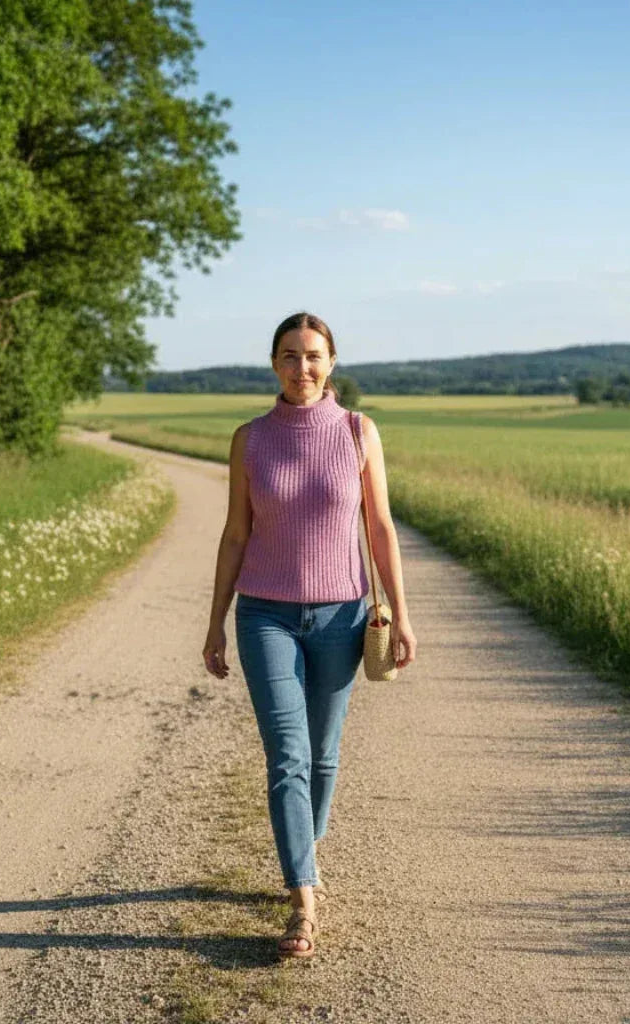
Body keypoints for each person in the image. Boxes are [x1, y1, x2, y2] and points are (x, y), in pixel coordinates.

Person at [202, 311, 417, 959]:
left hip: (341, 617)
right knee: (288, 756)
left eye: (314, 355)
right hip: (264, 615)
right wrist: (215, 621)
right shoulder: (250, 440)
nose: (303, 367)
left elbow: (380, 527)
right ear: (274, 364)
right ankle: (303, 899)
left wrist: (402, 613)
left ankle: (304, 849)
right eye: (291, 356)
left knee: (323, 754)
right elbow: (235, 533)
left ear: (332, 363)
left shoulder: (358, 431)